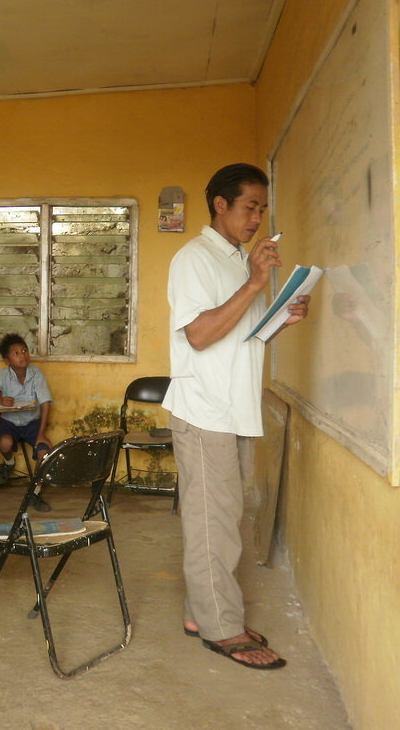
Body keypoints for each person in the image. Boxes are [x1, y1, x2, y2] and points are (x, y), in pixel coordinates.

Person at [162, 163, 310, 670]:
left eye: (263, 209)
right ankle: (221, 628)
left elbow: (244, 338)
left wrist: (282, 316)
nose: (257, 218)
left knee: (224, 520)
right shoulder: (194, 259)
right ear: (220, 205)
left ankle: (202, 613)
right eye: (250, 207)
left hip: (234, 409)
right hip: (205, 410)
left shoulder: (236, 262)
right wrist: (254, 283)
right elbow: (199, 336)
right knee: (212, 525)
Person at [0, 333, 54, 511]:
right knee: (5, 443)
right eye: (16, 353)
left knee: (45, 454)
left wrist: (41, 434)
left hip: (32, 423)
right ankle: (9, 464)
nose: (22, 355)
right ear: (6, 360)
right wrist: (0, 401)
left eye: (24, 350)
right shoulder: (1, 376)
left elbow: (46, 403)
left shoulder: (36, 374)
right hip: (9, 422)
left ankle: (35, 492)